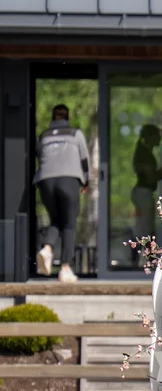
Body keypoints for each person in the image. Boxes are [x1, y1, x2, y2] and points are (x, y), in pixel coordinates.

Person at [33, 104, 89, 282]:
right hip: (69, 179)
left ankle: (47, 249)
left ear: (52, 118)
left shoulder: (43, 136)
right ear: (68, 117)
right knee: (69, 224)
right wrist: (85, 181)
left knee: (56, 220)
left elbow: (39, 155)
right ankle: (65, 268)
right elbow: (84, 159)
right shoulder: (75, 133)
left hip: (45, 181)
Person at [131, 125, 162, 245]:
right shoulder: (144, 155)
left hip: (143, 193)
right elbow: (152, 177)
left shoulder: (144, 152)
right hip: (144, 193)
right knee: (145, 229)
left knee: (144, 227)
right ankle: (142, 256)